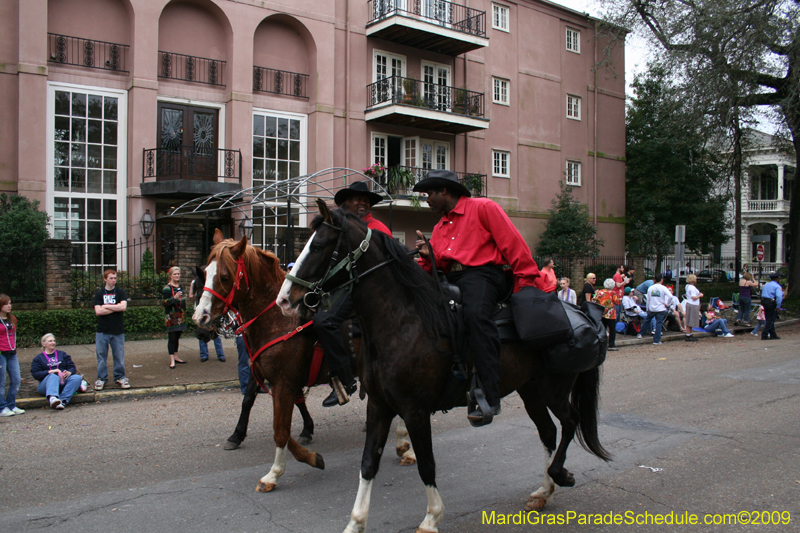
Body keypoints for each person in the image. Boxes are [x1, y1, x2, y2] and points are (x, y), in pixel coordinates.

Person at [413, 170, 541, 422]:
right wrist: (428, 256)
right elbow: (436, 266)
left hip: (483, 274)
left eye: (429, 194)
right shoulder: (439, 226)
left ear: (445, 191)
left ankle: (490, 393)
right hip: (451, 278)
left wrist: (526, 282)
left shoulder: (483, 207)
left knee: (474, 315)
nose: (426, 199)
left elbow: (513, 244)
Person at [316, 181, 392, 407]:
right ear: (345, 203)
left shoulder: (378, 228)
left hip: (365, 290)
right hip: (340, 287)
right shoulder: (337, 229)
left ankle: (344, 380)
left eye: (366, 199)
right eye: (358, 198)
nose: (363, 202)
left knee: (324, 322)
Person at [93, 269, 129, 390]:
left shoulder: (120, 292)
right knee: (101, 356)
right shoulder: (99, 294)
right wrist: (115, 307)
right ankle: (101, 378)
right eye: (111, 278)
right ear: (105, 279)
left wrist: (106, 306)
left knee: (119, 355)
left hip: (117, 330)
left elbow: (123, 307)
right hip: (102, 330)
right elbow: (98, 311)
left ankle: (120, 377)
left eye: (115, 278)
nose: (113, 280)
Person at [31, 334, 84, 409]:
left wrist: (69, 372)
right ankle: (53, 398)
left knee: (77, 378)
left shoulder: (62, 354)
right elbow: (35, 374)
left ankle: (62, 401)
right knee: (53, 376)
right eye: (50, 341)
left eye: (54, 341)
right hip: (46, 386)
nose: (53, 343)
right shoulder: (38, 358)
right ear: (43, 344)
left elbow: (72, 367)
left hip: (62, 381)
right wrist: (50, 371)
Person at [189, 280, 226, 362]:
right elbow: (191, 296)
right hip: (200, 310)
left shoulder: (212, 280)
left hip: (211, 310)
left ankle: (220, 354)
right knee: (202, 332)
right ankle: (204, 355)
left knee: (216, 333)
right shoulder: (195, 282)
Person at [0, 295, 23, 416]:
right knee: (1, 381)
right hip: (1, 353)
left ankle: (11, 404)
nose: (9, 306)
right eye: (6, 304)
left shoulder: (12, 318)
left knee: (16, 379)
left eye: (10, 303)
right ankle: (1, 407)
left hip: (12, 352)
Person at [163, 266, 188, 369]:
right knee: (172, 338)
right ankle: (172, 360)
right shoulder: (167, 288)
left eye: (178, 274)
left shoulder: (180, 286)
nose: (177, 276)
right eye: (175, 274)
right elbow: (164, 302)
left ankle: (176, 356)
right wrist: (174, 298)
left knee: (177, 337)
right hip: (171, 316)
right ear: (170, 276)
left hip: (180, 315)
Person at [593, 279, 621, 351]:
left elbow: (594, 300)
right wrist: (620, 295)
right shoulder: (613, 293)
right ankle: (611, 345)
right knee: (612, 330)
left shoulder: (600, 292)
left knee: (602, 329)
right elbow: (617, 302)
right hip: (611, 314)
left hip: (602, 313)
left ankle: (602, 344)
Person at [645, 275, 672, 345]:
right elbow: (670, 296)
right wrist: (667, 304)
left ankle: (641, 333)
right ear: (662, 280)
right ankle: (656, 340)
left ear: (654, 280)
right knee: (659, 324)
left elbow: (648, 299)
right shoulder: (663, 288)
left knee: (648, 320)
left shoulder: (650, 288)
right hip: (661, 308)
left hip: (652, 308)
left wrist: (647, 308)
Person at [760, 272, 784, 340]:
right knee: (771, 319)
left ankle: (773, 334)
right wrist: (778, 306)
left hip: (764, 301)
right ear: (777, 279)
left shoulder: (766, 285)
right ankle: (764, 334)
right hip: (771, 302)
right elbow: (779, 297)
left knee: (769, 318)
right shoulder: (777, 286)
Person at [683, 274, 702, 342]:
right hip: (693, 304)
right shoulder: (692, 288)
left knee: (689, 320)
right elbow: (693, 297)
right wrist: (700, 295)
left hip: (689, 304)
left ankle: (689, 334)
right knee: (691, 320)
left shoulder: (687, 286)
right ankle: (688, 335)